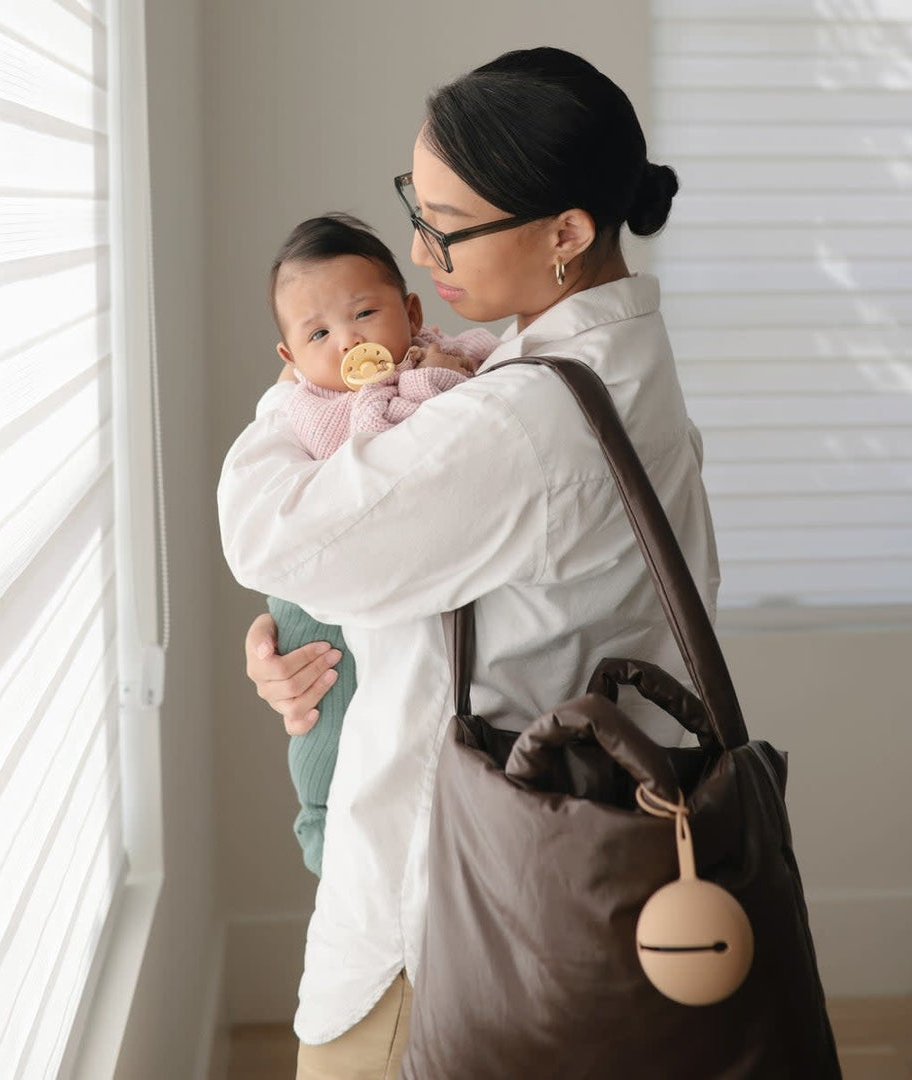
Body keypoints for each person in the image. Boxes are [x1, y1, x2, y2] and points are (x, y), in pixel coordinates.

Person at [218, 46, 720, 1080]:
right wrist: (331, 637)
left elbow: (267, 533)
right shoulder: (602, 360)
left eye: (446, 223)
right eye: (415, 202)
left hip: (440, 920)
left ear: (567, 233)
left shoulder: (523, 419)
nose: (417, 244)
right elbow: (477, 584)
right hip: (542, 883)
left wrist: (307, 382)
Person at [264, 212, 498, 876]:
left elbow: (476, 375)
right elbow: (374, 443)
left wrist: (439, 365)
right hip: (310, 605)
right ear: (290, 360)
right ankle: (320, 823)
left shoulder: (444, 347)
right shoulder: (314, 402)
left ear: (411, 309)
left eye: (365, 313)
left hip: (376, 576)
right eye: (318, 334)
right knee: (324, 716)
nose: (348, 341)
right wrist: (421, 379)